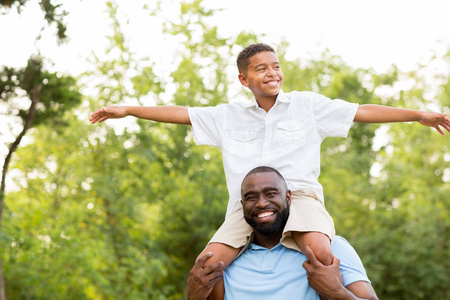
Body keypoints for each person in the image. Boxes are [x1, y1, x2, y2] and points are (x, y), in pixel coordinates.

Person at [90, 43, 450, 297]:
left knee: (321, 255)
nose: (272, 72)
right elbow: (180, 112)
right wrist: (129, 109)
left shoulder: (307, 106)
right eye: (261, 68)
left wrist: (418, 114)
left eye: (275, 66)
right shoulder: (227, 116)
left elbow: (361, 111)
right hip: (245, 206)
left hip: (300, 199)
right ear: (244, 79)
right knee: (206, 265)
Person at [186, 166, 378, 300]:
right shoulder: (222, 264)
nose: (261, 203)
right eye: (251, 197)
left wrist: (338, 293)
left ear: (288, 197)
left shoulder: (332, 247)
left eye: (271, 194)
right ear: (243, 205)